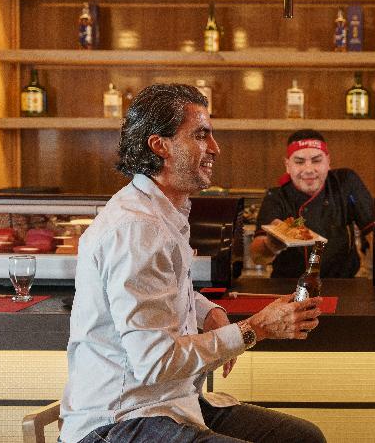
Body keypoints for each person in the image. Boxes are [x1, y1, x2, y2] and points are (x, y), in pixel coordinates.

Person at [59, 84, 326, 443]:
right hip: (120, 419)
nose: (215, 148)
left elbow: (158, 288)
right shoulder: (138, 228)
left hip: (169, 401)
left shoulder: (161, 210)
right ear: (160, 146)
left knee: (304, 438)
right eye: (201, 135)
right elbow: (155, 362)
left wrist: (207, 310)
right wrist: (255, 328)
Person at [250, 129, 374, 278]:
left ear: (328, 161)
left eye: (316, 160)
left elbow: (374, 233)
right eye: (299, 162)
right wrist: (271, 245)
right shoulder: (276, 197)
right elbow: (258, 258)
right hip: (289, 286)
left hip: (343, 283)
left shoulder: (345, 182)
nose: (308, 169)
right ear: (287, 165)